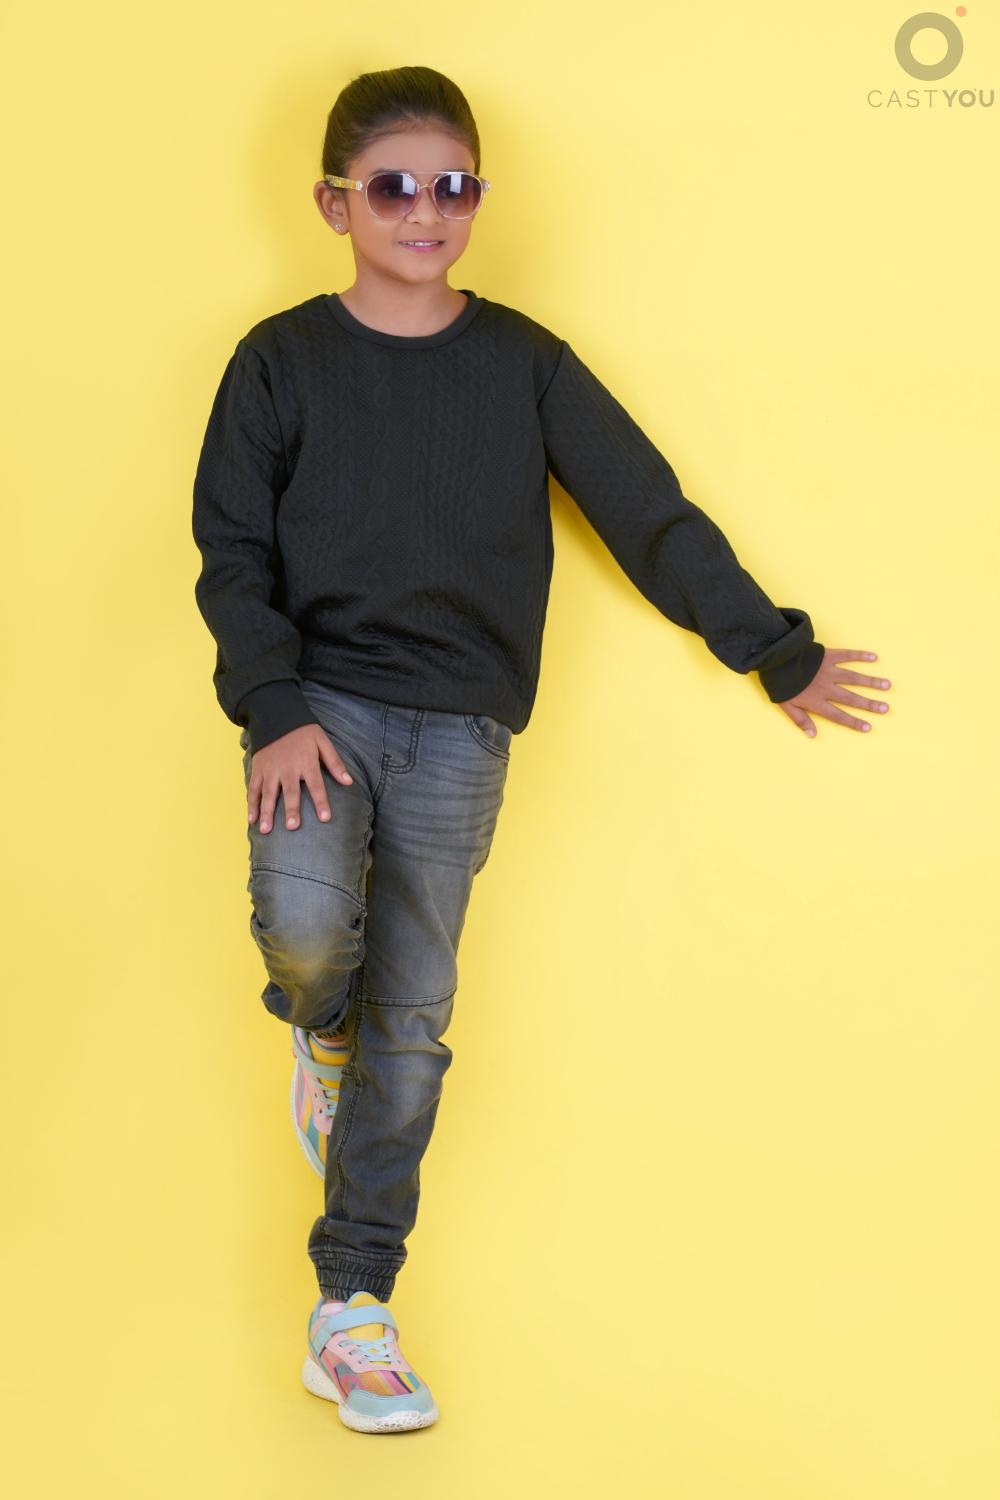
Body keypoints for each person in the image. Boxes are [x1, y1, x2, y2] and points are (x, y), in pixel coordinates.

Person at [191, 64, 891, 1435]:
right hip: (318, 705)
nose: (427, 212)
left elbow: (647, 510)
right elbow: (230, 551)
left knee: (415, 1016)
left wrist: (774, 648)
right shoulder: (278, 360)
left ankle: (353, 1308)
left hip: (461, 725)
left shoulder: (525, 363)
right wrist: (271, 703)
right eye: (395, 187)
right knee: (315, 945)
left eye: (455, 187)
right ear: (335, 203)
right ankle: (321, 1037)